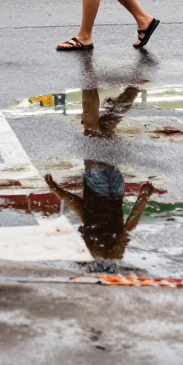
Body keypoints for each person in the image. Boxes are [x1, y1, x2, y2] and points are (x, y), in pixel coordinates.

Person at [44, 85, 155, 260]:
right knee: (91, 131)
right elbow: (81, 209)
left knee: (105, 129)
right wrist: (56, 189)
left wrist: (143, 197)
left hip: (116, 188)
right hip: (97, 185)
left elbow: (128, 224)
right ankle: (88, 78)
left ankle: (132, 91)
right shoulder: (97, 248)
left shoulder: (109, 249)